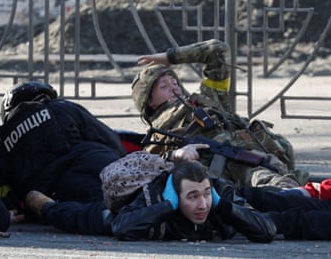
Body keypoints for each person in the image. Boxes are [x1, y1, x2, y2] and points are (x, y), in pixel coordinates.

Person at [131, 38, 306, 189]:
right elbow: (146, 165)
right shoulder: (161, 133)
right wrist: (177, 155)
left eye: (174, 82)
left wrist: (169, 57)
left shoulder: (208, 98)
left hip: (264, 161)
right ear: (150, 103)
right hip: (231, 179)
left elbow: (216, 50)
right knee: (285, 192)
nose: (174, 87)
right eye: (164, 86)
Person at [25, 160, 277, 243]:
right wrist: (166, 207)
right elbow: (122, 227)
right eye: (192, 197)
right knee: (69, 214)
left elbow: (267, 230)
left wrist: (221, 204)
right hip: (105, 214)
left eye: (205, 194)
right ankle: (35, 201)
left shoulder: (219, 193)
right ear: (176, 195)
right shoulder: (153, 196)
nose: (202, 205)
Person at [0, 81, 126, 214]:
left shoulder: (3, 146)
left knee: (115, 211)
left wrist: (12, 207)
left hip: (63, 189)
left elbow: (0, 191)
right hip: (100, 162)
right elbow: (112, 141)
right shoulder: (64, 107)